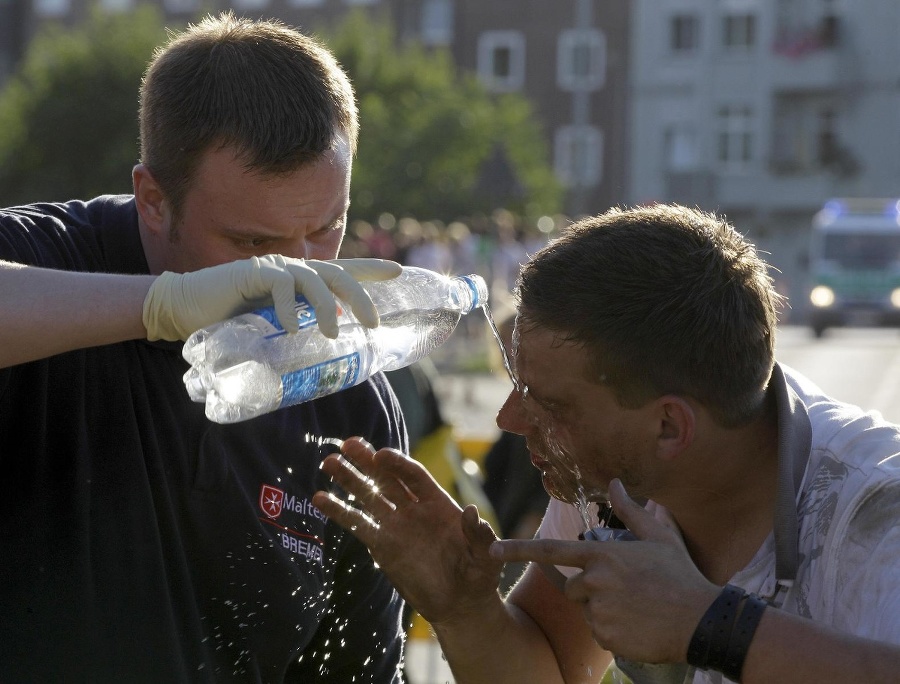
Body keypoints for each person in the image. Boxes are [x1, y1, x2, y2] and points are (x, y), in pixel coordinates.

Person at [313, 203, 900, 684]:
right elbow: (550, 671)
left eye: (550, 403)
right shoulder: (611, 475)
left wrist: (712, 624)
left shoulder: (875, 512)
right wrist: (465, 608)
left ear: (669, 426)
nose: (510, 419)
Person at [0, 12, 409, 682]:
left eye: (326, 228)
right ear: (153, 198)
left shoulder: (347, 390)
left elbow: (357, 669)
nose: (299, 275)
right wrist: (154, 308)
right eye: (254, 246)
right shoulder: (42, 257)